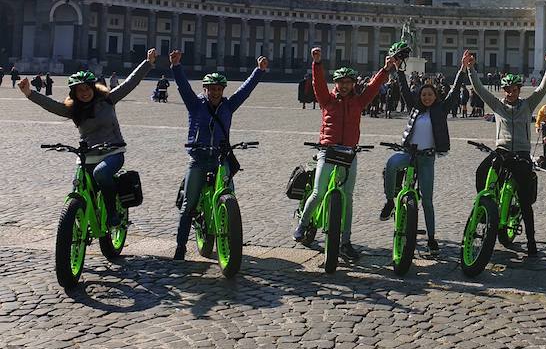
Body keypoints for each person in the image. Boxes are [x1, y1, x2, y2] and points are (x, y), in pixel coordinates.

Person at [20, 50, 157, 229]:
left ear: (93, 88)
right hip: (88, 154)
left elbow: (130, 83)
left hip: (113, 151)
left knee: (101, 174)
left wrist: (147, 62)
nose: (84, 93)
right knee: (79, 184)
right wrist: (29, 93)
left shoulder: (108, 99)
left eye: (86, 88)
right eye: (79, 90)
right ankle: (78, 219)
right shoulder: (73, 109)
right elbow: (52, 106)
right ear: (74, 93)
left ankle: (112, 213)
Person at [293, 47, 395, 260]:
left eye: (349, 82)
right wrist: (318, 64)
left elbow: (373, 87)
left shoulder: (359, 101)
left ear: (353, 84)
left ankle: (345, 242)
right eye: (342, 82)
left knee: (347, 198)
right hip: (327, 150)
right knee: (319, 192)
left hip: (349, 153)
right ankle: (302, 225)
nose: (345, 86)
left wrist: (385, 70)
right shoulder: (327, 100)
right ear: (336, 84)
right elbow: (318, 85)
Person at [169, 50, 268, 260]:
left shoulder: (228, 106)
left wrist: (258, 71)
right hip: (198, 158)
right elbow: (184, 88)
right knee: (188, 204)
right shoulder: (195, 105)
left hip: (220, 158)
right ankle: (180, 247)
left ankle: (227, 225)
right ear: (205, 89)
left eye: (218, 89)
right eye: (211, 89)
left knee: (229, 193)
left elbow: (245, 91)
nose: (214, 92)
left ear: (223, 90)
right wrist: (176, 66)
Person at [381, 49, 471, 256]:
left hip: (427, 158)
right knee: (391, 164)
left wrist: (462, 70)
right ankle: (389, 201)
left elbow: (455, 90)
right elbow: (403, 89)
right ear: (419, 96)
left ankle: (431, 238)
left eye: (430, 94)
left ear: (435, 96)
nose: (427, 97)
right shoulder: (414, 107)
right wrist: (398, 70)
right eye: (424, 94)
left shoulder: (441, 109)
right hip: (409, 154)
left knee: (428, 201)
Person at [468, 52, 546, 256]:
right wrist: (470, 69)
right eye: (508, 90)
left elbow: (542, 89)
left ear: (519, 90)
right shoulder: (497, 105)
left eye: (514, 90)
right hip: (502, 150)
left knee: (525, 200)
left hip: (522, 153)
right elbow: (480, 90)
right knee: (481, 172)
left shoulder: (527, 104)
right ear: (504, 90)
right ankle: (485, 209)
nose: (511, 93)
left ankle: (531, 240)